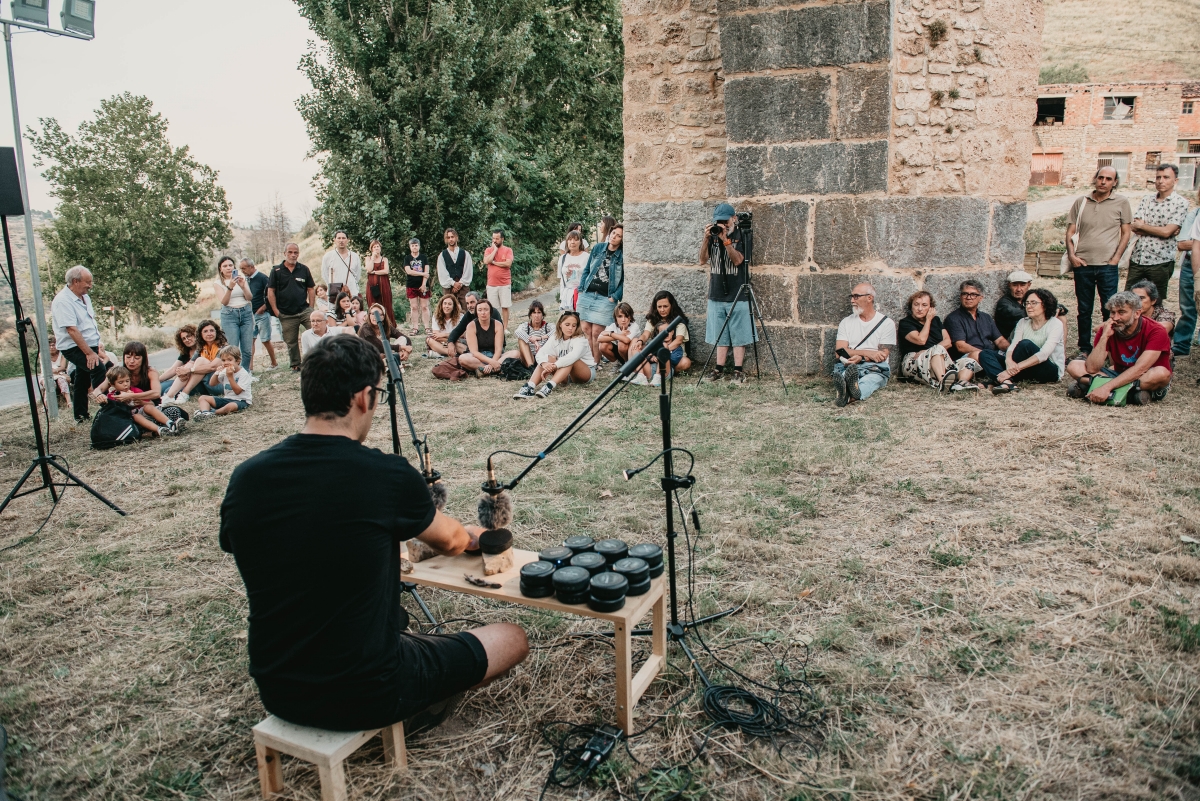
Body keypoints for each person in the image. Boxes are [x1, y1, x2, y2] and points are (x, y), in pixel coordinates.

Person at [219, 335, 529, 731]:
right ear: (365, 397)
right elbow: (451, 540)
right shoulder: (383, 474)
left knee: (397, 625)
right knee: (511, 637)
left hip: (278, 688)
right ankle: (418, 705)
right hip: (370, 690)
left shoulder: (246, 478)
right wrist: (469, 535)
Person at [1065, 167, 1132, 355]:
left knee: (1109, 310)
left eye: (1108, 179)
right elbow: (1070, 232)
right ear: (1095, 179)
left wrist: (1116, 258)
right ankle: (1084, 349)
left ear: (1115, 182)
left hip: (1107, 267)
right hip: (1083, 265)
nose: (1103, 181)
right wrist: (1072, 256)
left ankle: (1108, 348)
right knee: (1084, 310)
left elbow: (1126, 233)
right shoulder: (1081, 202)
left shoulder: (1122, 202)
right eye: (1100, 177)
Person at [1066, 291, 1172, 405]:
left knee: (1161, 373)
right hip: (1119, 374)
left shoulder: (1156, 330)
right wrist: (1104, 337)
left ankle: (1092, 387)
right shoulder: (1107, 329)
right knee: (1074, 365)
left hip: (1143, 377)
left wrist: (1106, 387)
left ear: (1137, 313)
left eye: (1121, 312)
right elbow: (1092, 368)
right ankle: (1132, 395)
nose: (1115, 318)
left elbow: (1141, 369)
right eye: (1112, 312)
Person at [699, 203, 753, 385]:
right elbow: (702, 260)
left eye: (726, 221)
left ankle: (738, 371)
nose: (723, 225)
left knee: (739, 334)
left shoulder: (743, 234)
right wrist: (706, 239)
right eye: (719, 221)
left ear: (734, 219)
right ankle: (718, 368)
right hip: (716, 292)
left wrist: (726, 241)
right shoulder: (712, 235)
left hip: (738, 291)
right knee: (719, 333)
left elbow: (739, 261)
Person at [50, 265, 107, 423]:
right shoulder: (62, 301)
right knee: (98, 369)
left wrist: (94, 345)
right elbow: (72, 330)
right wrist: (89, 353)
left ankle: (81, 416)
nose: (90, 285)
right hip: (74, 347)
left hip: (89, 344)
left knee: (83, 379)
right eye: (87, 282)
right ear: (75, 281)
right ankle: (107, 408)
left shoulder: (84, 297)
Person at [1126, 164, 1188, 301]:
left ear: (1175, 181)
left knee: (1155, 301)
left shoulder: (1180, 203)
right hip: (1138, 258)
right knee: (1129, 300)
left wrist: (1145, 226)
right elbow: (1135, 227)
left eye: (1166, 177)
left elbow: (1167, 232)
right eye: (1158, 177)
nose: (1161, 181)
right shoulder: (1147, 199)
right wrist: (1157, 229)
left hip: (1160, 261)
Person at [988, 288, 1066, 394]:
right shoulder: (1023, 322)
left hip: (1048, 369)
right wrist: (1008, 360)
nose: (1029, 306)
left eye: (1033, 303)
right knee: (985, 353)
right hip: (1023, 369)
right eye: (1027, 303)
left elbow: (1044, 354)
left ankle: (999, 378)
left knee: (1025, 344)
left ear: (1045, 304)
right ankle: (1006, 382)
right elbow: (1013, 346)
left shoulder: (1055, 324)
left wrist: (1010, 370)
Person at [897, 291, 976, 392]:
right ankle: (943, 383)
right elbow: (921, 340)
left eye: (924, 305)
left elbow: (948, 342)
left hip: (938, 359)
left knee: (969, 361)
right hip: (914, 360)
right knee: (938, 349)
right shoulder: (905, 323)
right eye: (916, 304)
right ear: (911, 306)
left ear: (931, 307)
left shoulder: (936, 320)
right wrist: (928, 320)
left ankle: (961, 383)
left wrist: (930, 351)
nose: (920, 308)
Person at [832, 283, 896, 407]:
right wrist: (866, 353)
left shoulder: (886, 323)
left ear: (869, 298)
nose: (852, 300)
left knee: (869, 381)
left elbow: (882, 355)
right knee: (847, 374)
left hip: (875, 368)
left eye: (856, 296)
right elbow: (839, 351)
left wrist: (860, 357)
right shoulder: (846, 322)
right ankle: (847, 388)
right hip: (850, 364)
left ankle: (848, 395)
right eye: (851, 296)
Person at [512, 311, 596, 399]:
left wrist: (555, 366)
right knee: (549, 358)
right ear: (560, 324)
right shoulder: (555, 337)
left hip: (584, 373)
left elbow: (573, 357)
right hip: (565, 374)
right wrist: (544, 363)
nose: (570, 328)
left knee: (570, 360)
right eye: (567, 324)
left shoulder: (580, 339)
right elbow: (541, 353)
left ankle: (549, 386)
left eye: (574, 325)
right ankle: (530, 386)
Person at [577, 224, 624, 365]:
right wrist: (581, 287)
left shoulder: (622, 256)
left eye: (618, 236)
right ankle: (589, 362)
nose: (614, 237)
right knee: (585, 329)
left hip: (605, 297)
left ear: (622, 240)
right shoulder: (598, 248)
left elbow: (624, 280)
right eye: (613, 233)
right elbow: (587, 269)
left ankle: (595, 364)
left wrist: (615, 296)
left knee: (597, 332)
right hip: (588, 293)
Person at [945, 279, 1009, 383]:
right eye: (965, 294)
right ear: (961, 296)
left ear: (980, 298)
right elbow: (961, 346)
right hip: (968, 358)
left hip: (989, 356)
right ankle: (1003, 380)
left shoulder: (986, 318)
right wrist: (985, 354)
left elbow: (1000, 340)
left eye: (973, 294)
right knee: (977, 355)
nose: (968, 297)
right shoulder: (954, 318)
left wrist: (1011, 349)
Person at [268, 243, 317, 371]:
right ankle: (296, 364)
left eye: (295, 252)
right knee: (291, 341)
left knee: (316, 331)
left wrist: (311, 308)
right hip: (286, 313)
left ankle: (319, 359)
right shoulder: (276, 271)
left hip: (304, 310)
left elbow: (311, 289)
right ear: (285, 253)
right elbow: (270, 291)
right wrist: (276, 311)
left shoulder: (304, 269)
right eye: (290, 252)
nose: (293, 255)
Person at [631, 290, 692, 386]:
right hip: (656, 355)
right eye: (659, 307)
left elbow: (678, 341)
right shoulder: (653, 319)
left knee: (686, 362)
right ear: (655, 307)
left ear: (671, 306)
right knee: (635, 342)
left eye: (665, 306)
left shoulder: (678, 322)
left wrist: (660, 353)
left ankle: (664, 373)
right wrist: (640, 341)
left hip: (674, 356)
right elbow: (646, 334)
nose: (662, 310)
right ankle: (641, 374)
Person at [162, 319, 226, 405]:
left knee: (200, 360)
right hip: (205, 384)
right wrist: (182, 370)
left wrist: (189, 370)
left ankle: (185, 393)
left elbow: (212, 367)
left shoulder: (223, 348)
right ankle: (168, 397)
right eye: (205, 331)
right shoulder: (201, 347)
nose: (209, 333)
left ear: (216, 332)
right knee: (168, 389)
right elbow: (190, 363)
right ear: (201, 334)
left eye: (212, 330)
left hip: (219, 384)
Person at [103, 364, 178, 437]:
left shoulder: (135, 391)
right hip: (131, 420)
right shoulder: (112, 396)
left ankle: (170, 423)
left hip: (145, 415)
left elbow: (151, 404)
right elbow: (113, 412)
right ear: (112, 384)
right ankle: (159, 430)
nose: (125, 384)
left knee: (147, 407)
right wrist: (121, 402)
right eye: (121, 382)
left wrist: (141, 402)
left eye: (127, 381)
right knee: (136, 416)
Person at [214, 256, 255, 371]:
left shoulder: (241, 278)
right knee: (232, 348)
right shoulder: (218, 283)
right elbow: (224, 302)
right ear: (220, 269)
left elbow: (249, 297)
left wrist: (242, 286)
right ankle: (233, 373)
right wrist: (230, 287)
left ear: (234, 267)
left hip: (245, 312)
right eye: (225, 266)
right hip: (229, 315)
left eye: (230, 265)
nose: (228, 268)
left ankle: (246, 374)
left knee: (247, 349)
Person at [194, 346, 254, 419]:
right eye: (223, 360)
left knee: (230, 406)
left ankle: (213, 412)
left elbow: (238, 392)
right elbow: (212, 384)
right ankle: (205, 412)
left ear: (238, 361)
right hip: (227, 399)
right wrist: (216, 373)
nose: (226, 362)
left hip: (241, 401)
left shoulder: (243, 374)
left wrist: (230, 377)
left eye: (229, 360)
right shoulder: (224, 371)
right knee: (203, 398)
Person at [240, 258, 277, 371]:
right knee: (250, 340)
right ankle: (249, 368)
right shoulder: (245, 280)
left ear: (251, 267)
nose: (242, 271)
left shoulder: (262, 278)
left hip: (262, 313)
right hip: (250, 314)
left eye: (244, 268)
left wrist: (264, 307)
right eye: (241, 268)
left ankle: (274, 363)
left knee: (265, 340)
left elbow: (272, 294)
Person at [1173, 204, 1200, 356]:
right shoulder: (1195, 213)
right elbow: (1182, 243)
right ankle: (1182, 343)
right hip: (1192, 263)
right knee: (1188, 306)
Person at [459, 298, 505, 376]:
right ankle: (492, 369)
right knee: (462, 358)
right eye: (480, 310)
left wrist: (492, 362)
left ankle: (484, 370)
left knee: (516, 354)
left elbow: (498, 349)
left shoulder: (498, 324)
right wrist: (492, 363)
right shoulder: (471, 326)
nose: (483, 313)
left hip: (495, 355)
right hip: (478, 358)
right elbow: (474, 352)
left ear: (490, 311)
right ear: (476, 312)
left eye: (486, 310)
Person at [502, 300, 551, 368]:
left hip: (544, 358)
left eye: (539, 312)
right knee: (521, 339)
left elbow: (556, 332)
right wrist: (534, 341)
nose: (536, 315)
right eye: (534, 313)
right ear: (530, 314)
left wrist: (539, 338)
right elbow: (517, 332)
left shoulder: (548, 326)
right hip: (530, 358)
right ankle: (531, 367)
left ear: (542, 314)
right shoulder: (525, 326)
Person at [483, 229, 514, 331]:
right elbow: (486, 261)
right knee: (493, 308)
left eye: (497, 238)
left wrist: (494, 262)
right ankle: (495, 327)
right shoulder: (488, 250)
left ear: (502, 239)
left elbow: (508, 264)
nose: (495, 240)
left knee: (505, 306)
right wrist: (495, 250)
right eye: (493, 238)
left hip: (505, 283)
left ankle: (505, 328)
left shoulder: (508, 250)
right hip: (491, 284)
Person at [435, 228, 474, 312]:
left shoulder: (465, 253)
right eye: (448, 237)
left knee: (466, 309)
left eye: (452, 237)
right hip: (449, 287)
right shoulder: (442, 255)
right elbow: (442, 272)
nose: (451, 239)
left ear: (456, 237)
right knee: (449, 310)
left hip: (463, 286)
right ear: (446, 239)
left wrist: (460, 283)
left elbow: (468, 270)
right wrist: (452, 283)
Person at [158, 325, 199, 400]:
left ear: (195, 335)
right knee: (159, 387)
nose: (187, 340)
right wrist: (156, 381)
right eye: (183, 339)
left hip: (195, 382)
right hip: (182, 380)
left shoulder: (203, 350)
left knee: (167, 391)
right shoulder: (185, 352)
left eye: (189, 336)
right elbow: (173, 369)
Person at [363, 239, 395, 330]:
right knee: (373, 303)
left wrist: (375, 272)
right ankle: (374, 326)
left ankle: (388, 326)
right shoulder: (368, 258)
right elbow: (369, 269)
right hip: (372, 285)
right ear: (371, 249)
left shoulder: (384, 259)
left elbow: (386, 271)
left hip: (383, 284)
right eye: (374, 247)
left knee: (386, 303)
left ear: (380, 248)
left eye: (378, 246)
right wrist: (373, 258)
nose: (376, 248)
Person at [993, 270, 1033, 341]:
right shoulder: (1004, 303)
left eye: (1023, 285)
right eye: (1015, 285)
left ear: (1029, 285)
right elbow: (1013, 313)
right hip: (1011, 341)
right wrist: (1038, 312)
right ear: (1009, 285)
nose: (1018, 289)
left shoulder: (1030, 298)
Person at [402, 238, 432, 336]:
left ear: (419, 246)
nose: (414, 247)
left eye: (416, 245)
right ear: (410, 247)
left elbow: (427, 272)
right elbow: (409, 271)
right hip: (411, 285)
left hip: (423, 285)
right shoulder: (407, 258)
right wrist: (422, 273)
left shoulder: (423, 257)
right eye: (412, 245)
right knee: (414, 307)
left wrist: (423, 284)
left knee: (424, 306)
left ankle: (427, 327)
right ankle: (415, 327)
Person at [598, 302, 641, 366]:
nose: (623, 320)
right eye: (620, 316)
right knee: (603, 345)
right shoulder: (613, 326)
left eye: (626, 316)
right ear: (616, 317)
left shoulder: (634, 326)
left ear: (630, 317)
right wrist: (620, 335)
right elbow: (599, 339)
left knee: (622, 344)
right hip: (620, 352)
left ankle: (627, 365)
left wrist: (611, 334)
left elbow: (626, 340)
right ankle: (617, 364)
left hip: (632, 352)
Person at [322, 229, 361, 298]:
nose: (341, 240)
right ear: (334, 240)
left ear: (348, 240)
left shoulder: (354, 256)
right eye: (339, 238)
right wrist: (334, 287)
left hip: (352, 291)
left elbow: (357, 275)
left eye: (343, 238)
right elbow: (325, 275)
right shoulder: (328, 256)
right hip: (335, 294)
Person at [557, 229, 588, 312]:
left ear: (580, 242)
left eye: (576, 239)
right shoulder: (562, 258)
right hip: (567, 296)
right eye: (570, 240)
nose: (572, 242)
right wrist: (562, 297)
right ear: (567, 242)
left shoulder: (587, 257)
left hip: (582, 294)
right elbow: (561, 280)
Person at [40, 336, 70, 408]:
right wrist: (57, 370)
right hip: (46, 376)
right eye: (49, 345)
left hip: (60, 375)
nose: (51, 347)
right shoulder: (43, 355)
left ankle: (69, 403)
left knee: (62, 381)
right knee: (50, 384)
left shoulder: (62, 354)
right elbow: (47, 369)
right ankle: (46, 406)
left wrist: (55, 371)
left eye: (53, 345)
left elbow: (63, 367)